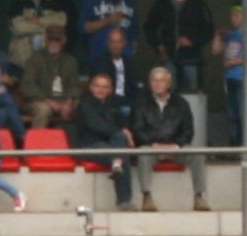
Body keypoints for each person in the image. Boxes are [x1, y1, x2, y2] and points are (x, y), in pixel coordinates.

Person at [132, 64, 207, 211]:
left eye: (161, 80)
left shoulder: (181, 103)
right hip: (151, 148)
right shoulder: (140, 103)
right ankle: (147, 197)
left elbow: (188, 131)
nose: (157, 83)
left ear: (168, 83)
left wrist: (175, 146)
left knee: (197, 154)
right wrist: (155, 145)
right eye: (154, 80)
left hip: (175, 148)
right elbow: (138, 130)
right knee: (143, 154)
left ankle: (199, 197)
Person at [143, 0, 217, 93]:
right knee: (168, 93)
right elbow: (149, 27)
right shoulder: (163, 3)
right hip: (168, 58)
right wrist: (158, 45)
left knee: (192, 94)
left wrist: (192, 41)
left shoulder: (198, 4)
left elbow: (209, 29)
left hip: (191, 59)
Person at [72, 71, 137, 211]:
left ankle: (116, 163)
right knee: (121, 154)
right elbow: (97, 126)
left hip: (110, 145)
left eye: (105, 87)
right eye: (97, 86)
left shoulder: (113, 104)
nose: (101, 90)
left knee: (120, 152)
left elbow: (123, 124)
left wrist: (124, 132)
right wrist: (122, 133)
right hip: (88, 146)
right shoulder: (85, 104)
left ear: (110, 89)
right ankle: (124, 201)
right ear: (91, 87)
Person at [6, 0, 73, 68]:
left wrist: (38, 20)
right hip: (23, 60)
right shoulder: (17, 0)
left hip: (49, 59)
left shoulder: (53, 0)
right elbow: (18, 27)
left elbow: (62, 21)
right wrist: (47, 26)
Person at [22, 24, 85, 130]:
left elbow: (74, 86)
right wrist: (50, 102)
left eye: (58, 39)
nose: (54, 42)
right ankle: (37, 144)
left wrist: (68, 103)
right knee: (44, 109)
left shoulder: (70, 61)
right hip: (39, 101)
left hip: (64, 100)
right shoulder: (35, 59)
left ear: (63, 41)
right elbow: (29, 87)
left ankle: (82, 143)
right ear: (46, 40)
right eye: (51, 39)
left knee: (83, 106)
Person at [80, 0, 138, 71]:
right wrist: (109, 20)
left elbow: (134, 33)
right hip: (99, 57)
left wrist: (131, 52)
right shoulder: (92, 0)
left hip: (124, 58)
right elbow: (84, 28)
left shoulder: (129, 2)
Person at [218, 4, 247, 146]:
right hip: (229, 78)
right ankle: (234, 145)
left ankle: (244, 144)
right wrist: (218, 35)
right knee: (232, 114)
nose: (234, 19)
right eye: (232, 15)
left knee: (243, 113)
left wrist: (234, 62)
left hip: (242, 78)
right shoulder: (230, 35)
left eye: (238, 15)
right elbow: (215, 50)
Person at [100, 26, 137, 104]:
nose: (116, 45)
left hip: (128, 102)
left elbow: (134, 88)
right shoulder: (100, 63)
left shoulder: (130, 63)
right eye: (113, 41)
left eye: (119, 41)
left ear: (124, 43)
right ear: (108, 43)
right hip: (107, 103)